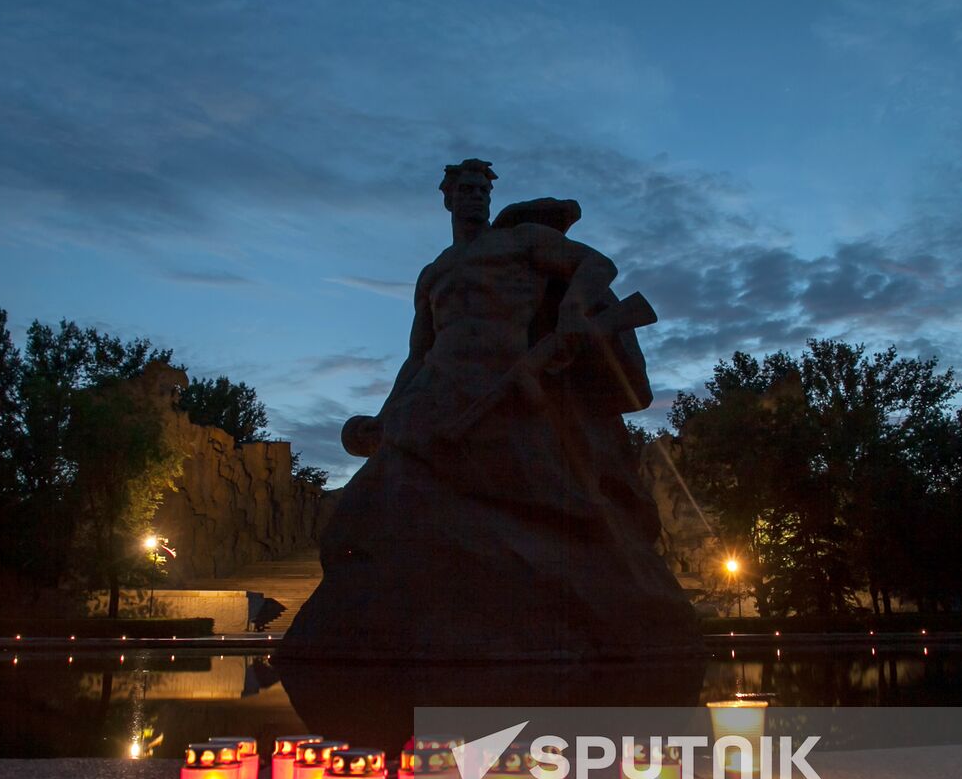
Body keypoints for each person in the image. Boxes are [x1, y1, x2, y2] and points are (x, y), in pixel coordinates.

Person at [280, 159, 699, 662]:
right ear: (448, 198)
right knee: (366, 506)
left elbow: (597, 265)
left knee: (550, 496)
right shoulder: (433, 273)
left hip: (505, 384)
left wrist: (571, 310)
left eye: (483, 189)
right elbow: (418, 354)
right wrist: (386, 415)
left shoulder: (519, 242)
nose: (476, 196)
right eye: (467, 189)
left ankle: (605, 588)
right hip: (436, 393)